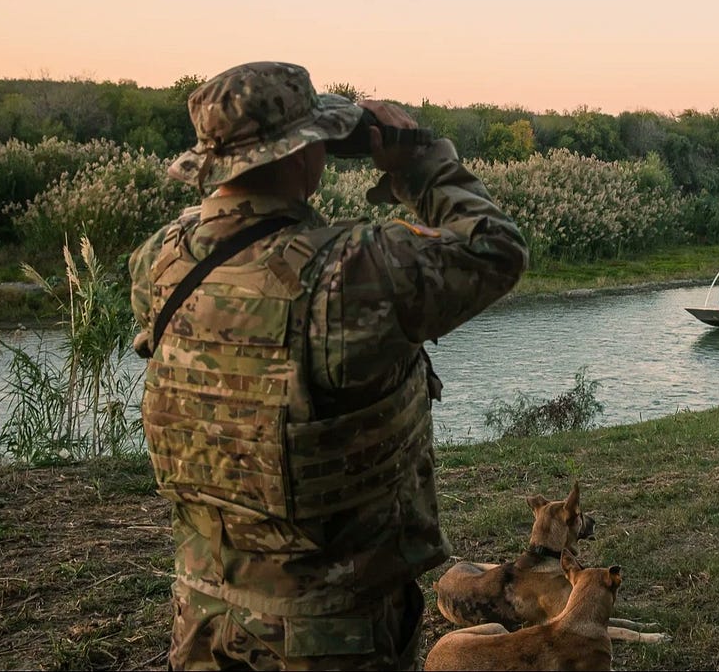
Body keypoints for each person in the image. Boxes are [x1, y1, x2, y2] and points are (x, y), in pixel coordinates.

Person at [128, 61, 529, 670]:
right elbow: (496, 249)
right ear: (302, 155)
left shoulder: (160, 259)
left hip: (203, 614)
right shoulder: (353, 270)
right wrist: (417, 161)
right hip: (331, 632)